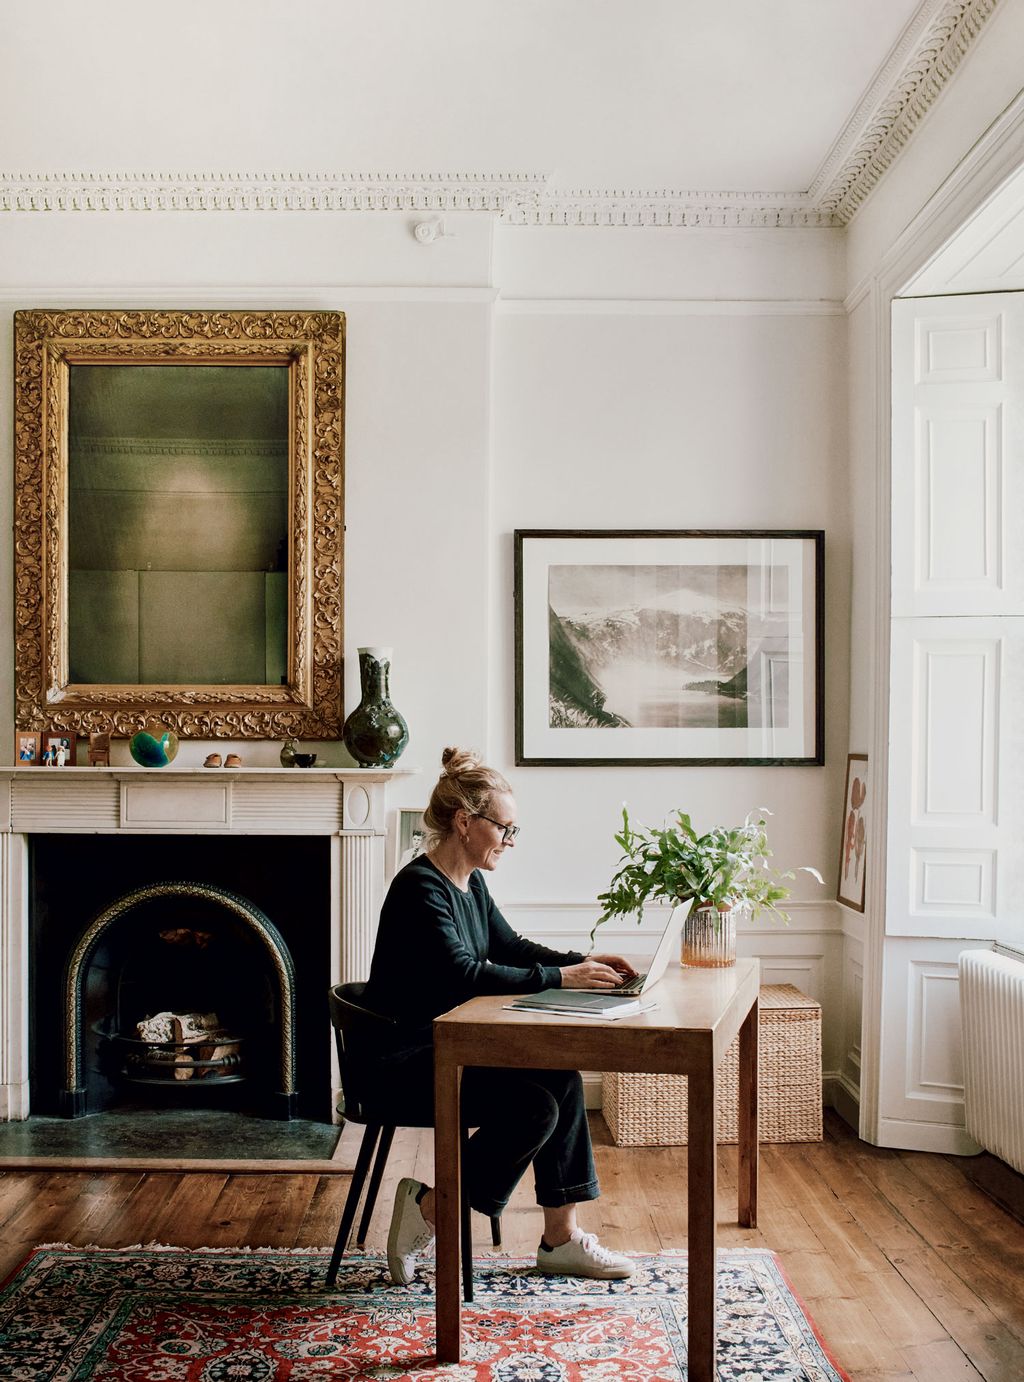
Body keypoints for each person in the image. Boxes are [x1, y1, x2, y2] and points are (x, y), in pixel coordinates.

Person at [363, 746, 639, 1287]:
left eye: (514, 830)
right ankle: (428, 1210)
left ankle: (560, 1239)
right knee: (533, 1109)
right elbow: (464, 973)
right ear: (465, 823)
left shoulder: (471, 883)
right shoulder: (419, 888)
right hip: (405, 1062)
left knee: (561, 1079)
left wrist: (581, 961)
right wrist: (563, 979)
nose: (510, 841)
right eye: (504, 828)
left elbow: (509, 946)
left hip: (450, 1048)